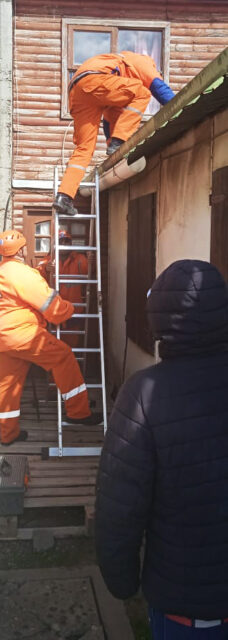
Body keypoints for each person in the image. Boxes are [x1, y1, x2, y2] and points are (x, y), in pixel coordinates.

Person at [95, 259, 228, 639]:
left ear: (159, 319)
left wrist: (123, 583)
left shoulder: (143, 394)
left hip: (186, 611)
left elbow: (119, 509)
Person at [0, 229, 102, 445]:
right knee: (64, 356)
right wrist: (68, 309)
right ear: (21, 249)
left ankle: (8, 434)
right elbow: (51, 306)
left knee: (7, 384)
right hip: (23, 334)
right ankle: (78, 413)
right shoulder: (23, 274)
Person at [53, 51, 174, 216]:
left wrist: (113, 148)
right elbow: (160, 89)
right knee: (142, 93)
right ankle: (118, 141)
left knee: (84, 149)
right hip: (94, 79)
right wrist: (179, 107)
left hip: (77, 91)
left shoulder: (118, 79)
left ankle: (64, 196)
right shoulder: (143, 63)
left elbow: (110, 121)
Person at [37, 229, 88, 348]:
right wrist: (46, 269)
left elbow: (90, 272)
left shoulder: (80, 259)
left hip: (73, 310)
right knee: (52, 347)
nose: (64, 244)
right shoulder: (48, 260)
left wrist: (91, 261)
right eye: (61, 241)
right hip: (53, 310)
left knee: (72, 346)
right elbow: (36, 274)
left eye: (67, 241)